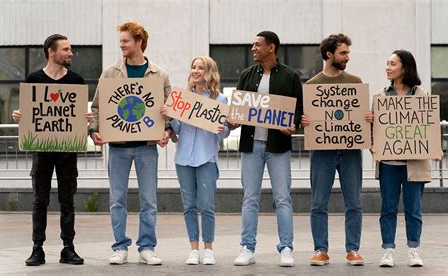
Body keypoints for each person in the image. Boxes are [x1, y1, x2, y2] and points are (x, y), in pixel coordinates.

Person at [88, 22, 172, 265]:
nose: (121, 45)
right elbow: (96, 108)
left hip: (147, 147)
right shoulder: (110, 73)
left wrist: (167, 129)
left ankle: (147, 247)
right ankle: (120, 247)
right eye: (121, 41)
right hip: (118, 148)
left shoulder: (160, 75)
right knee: (117, 199)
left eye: (125, 41)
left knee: (149, 200)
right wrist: (94, 130)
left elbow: (169, 112)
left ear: (139, 42)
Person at [12, 34, 87, 266]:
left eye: (70, 49)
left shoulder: (76, 80)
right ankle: (37, 249)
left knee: (68, 201)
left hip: (67, 152)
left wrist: (86, 118)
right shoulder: (33, 79)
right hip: (42, 151)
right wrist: (19, 117)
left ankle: (68, 248)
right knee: (39, 201)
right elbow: (30, 113)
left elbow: (77, 116)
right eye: (65, 49)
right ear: (50, 52)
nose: (71, 53)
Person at [231, 31, 303, 267]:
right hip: (251, 145)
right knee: (249, 198)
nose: (253, 48)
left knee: (282, 197)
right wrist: (233, 119)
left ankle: (286, 248)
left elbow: (298, 112)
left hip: (278, 146)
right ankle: (247, 247)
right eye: (253, 44)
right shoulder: (246, 75)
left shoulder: (290, 76)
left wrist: (292, 126)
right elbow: (239, 109)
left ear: (271, 48)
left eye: (257, 45)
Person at [301, 33, 373, 266]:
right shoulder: (312, 86)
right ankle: (321, 250)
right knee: (318, 203)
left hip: (351, 151)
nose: (347, 57)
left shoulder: (355, 82)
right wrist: (305, 122)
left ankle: (353, 250)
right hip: (322, 152)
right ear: (329, 54)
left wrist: (367, 118)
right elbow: (308, 118)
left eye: (348, 53)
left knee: (354, 202)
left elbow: (360, 115)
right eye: (343, 53)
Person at [160, 56, 230, 265]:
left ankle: (208, 249)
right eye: (193, 67)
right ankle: (193, 249)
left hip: (206, 158)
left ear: (210, 73)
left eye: (201, 68)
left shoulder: (220, 100)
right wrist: (170, 117)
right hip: (183, 159)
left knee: (207, 206)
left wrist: (222, 129)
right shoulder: (182, 98)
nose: (196, 71)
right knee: (189, 205)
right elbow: (179, 130)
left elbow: (224, 133)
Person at [374, 50, 434, 268]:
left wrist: (435, 147)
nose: (388, 67)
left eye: (392, 64)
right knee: (388, 208)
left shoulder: (422, 96)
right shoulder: (380, 96)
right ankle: (388, 250)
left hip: (414, 164)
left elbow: (430, 128)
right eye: (387, 63)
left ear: (405, 68)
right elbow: (376, 132)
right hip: (389, 164)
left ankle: (413, 249)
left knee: (413, 209)